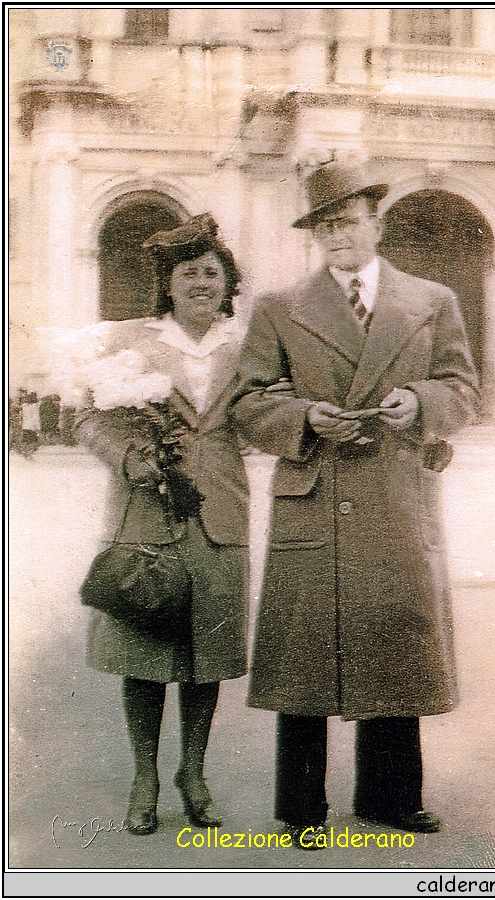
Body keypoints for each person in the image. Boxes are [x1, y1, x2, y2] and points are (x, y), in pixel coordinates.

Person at [231, 162, 480, 845]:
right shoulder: (279, 306)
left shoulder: (432, 300)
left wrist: (420, 402)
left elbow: (463, 388)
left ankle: (391, 797)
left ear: (377, 222)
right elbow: (250, 402)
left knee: (394, 643)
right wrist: (305, 417)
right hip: (316, 492)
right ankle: (301, 807)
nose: (333, 236)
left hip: (396, 494)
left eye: (345, 221)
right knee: (306, 655)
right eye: (322, 225)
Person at [76, 214, 249, 836]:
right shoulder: (131, 341)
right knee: (145, 652)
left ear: (228, 283)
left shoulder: (247, 345)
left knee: (207, 654)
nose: (202, 282)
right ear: (168, 284)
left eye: (213, 272)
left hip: (219, 514)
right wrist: (132, 457)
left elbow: (264, 418)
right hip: (143, 514)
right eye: (188, 272)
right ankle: (144, 775)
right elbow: (87, 420)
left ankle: (193, 772)